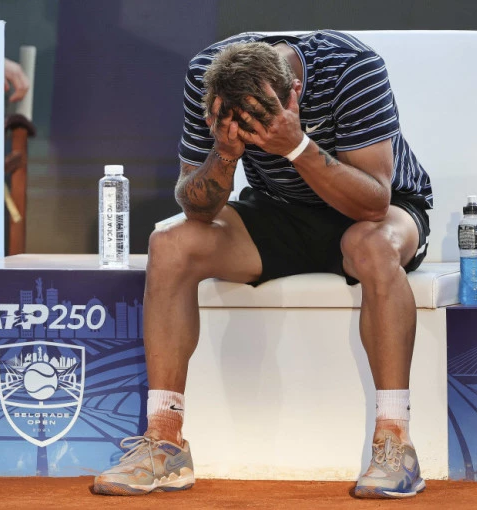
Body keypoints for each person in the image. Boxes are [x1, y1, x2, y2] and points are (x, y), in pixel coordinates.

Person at [93, 30, 432, 499]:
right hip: (278, 211)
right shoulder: (207, 76)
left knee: (372, 246)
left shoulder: (352, 66)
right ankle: (165, 443)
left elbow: (374, 201)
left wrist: (296, 145)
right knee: (169, 243)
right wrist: (224, 154)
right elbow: (196, 206)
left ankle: (395, 444)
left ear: (294, 90)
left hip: (372, 212)